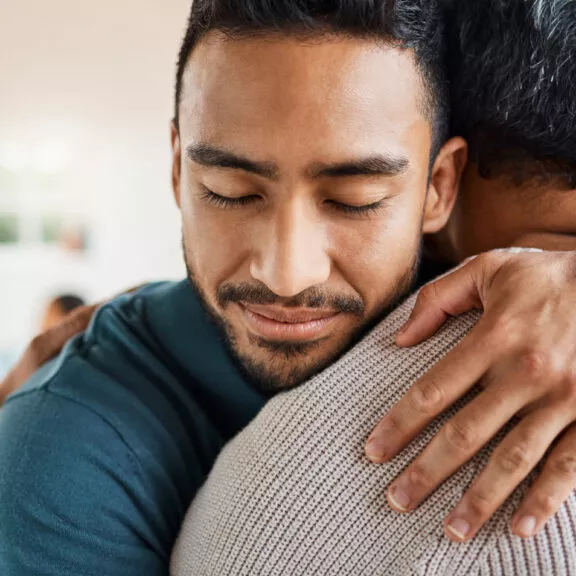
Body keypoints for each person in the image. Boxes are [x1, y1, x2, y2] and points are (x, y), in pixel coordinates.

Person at [2, 2, 576, 575]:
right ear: (178, 169)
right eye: (230, 191)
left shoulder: (525, 313)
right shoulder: (58, 463)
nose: (286, 274)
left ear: (438, 188)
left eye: (355, 202)